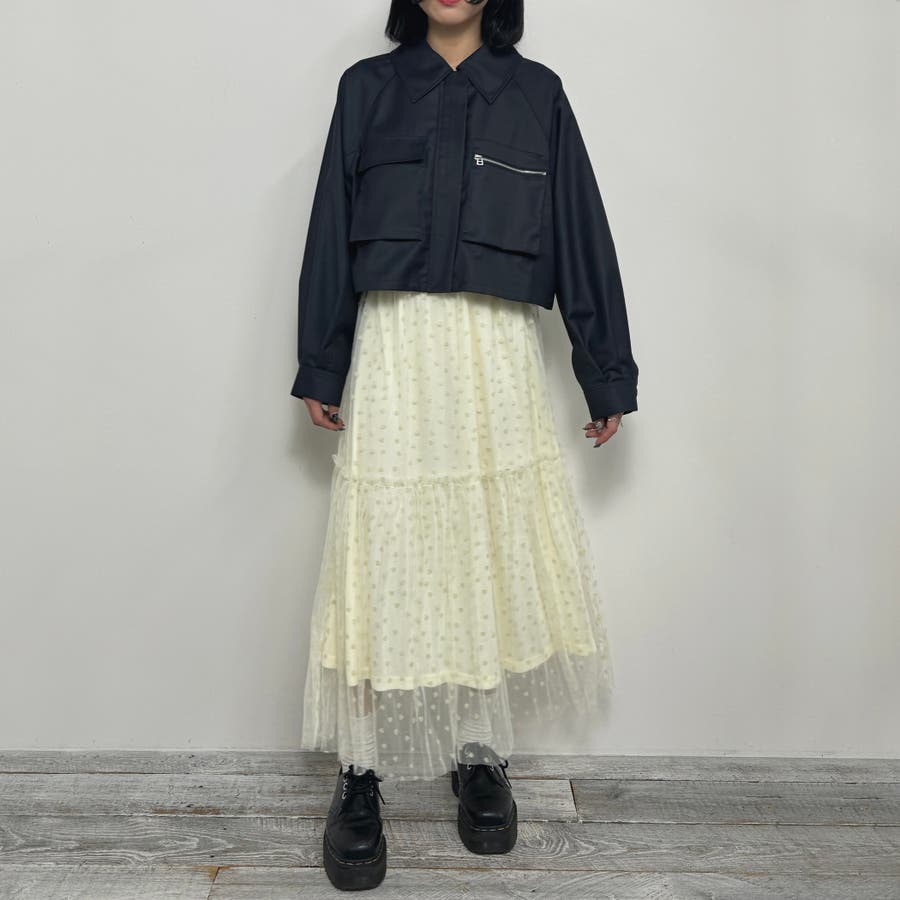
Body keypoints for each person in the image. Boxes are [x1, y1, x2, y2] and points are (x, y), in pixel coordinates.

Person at [291, 0, 639, 889]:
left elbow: (579, 230)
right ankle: (360, 769)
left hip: (495, 356)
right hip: (395, 349)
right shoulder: (367, 90)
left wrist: (605, 371)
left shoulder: (537, 95)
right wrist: (323, 362)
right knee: (382, 553)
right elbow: (331, 224)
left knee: (484, 548)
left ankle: (480, 756)